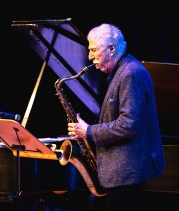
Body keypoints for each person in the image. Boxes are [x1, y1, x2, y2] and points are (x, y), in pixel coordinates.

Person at [67, 24, 165, 211]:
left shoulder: (130, 73)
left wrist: (88, 131)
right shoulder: (122, 71)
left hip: (126, 173)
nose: (89, 57)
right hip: (123, 173)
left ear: (112, 49)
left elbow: (128, 124)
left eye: (94, 50)